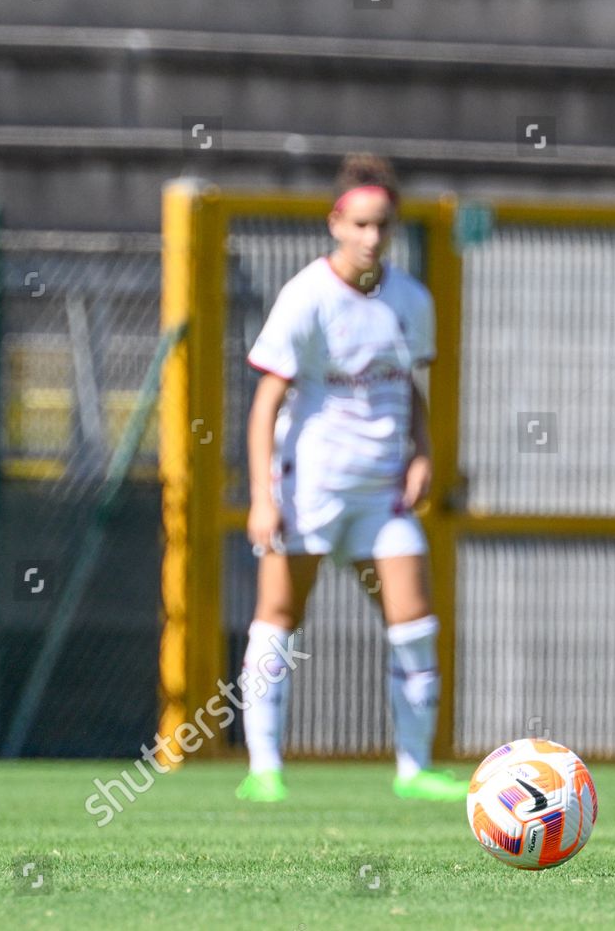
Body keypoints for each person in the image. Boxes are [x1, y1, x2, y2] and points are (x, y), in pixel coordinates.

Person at [235, 153, 463, 803]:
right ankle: (264, 766)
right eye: (360, 223)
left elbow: (408, 387)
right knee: (278, 620)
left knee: (414, 626)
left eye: (382, 225)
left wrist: (422, 454)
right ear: (336, 222)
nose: (371, 237)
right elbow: (266, 404)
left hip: (381, 496)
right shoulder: (305, 296)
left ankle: (414, 768)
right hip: (309, 490)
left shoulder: (412, 300)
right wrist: (261, 496)